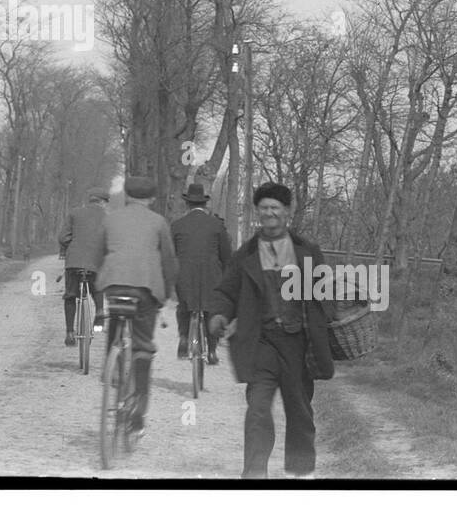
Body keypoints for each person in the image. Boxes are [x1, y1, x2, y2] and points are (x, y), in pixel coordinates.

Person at [208, 182, 336, 479]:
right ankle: (254, 473)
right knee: (257, 410)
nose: (269, 213)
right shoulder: (245, 255)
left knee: (300, 411)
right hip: (260, 344)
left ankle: (301, 472)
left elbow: (324, 291)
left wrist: (326, 317)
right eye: (263, 208)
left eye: (275, 208)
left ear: (287, 212)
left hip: (298, 344)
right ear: (257, 212)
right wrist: (218, 314)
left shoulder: (307, 251)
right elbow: (227, 291)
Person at [92, 175, 177, 439]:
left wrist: (104, 277)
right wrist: (167, 294)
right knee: (142, 345)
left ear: (126, 195)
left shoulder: (110, 218)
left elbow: (98, 255)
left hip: (114, 285)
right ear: (151, 199)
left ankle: (112, 368)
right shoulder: (159, 222)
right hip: (145, 289)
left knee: (115, 322)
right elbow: (169, 261)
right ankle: (137, 417)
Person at [170, 182, 232, 364]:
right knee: (212, 310)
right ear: (205, 205)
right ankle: (212, 351)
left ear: (187, 204)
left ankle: (183, 338)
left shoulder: (177, 225)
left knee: (183, 306)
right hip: (211, 277)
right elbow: (226, 256)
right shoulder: (217, 225)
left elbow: (170, 254)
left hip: (185, 275)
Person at [58, 187, 109, 345]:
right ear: (102, 202)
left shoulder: (74, 213)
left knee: (70, 296)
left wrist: (72, 245)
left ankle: (69, 333)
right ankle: (100, 310)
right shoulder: (108, 217)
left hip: (74, 261)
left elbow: (63, 237)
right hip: (96, 260)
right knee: (98, 283)